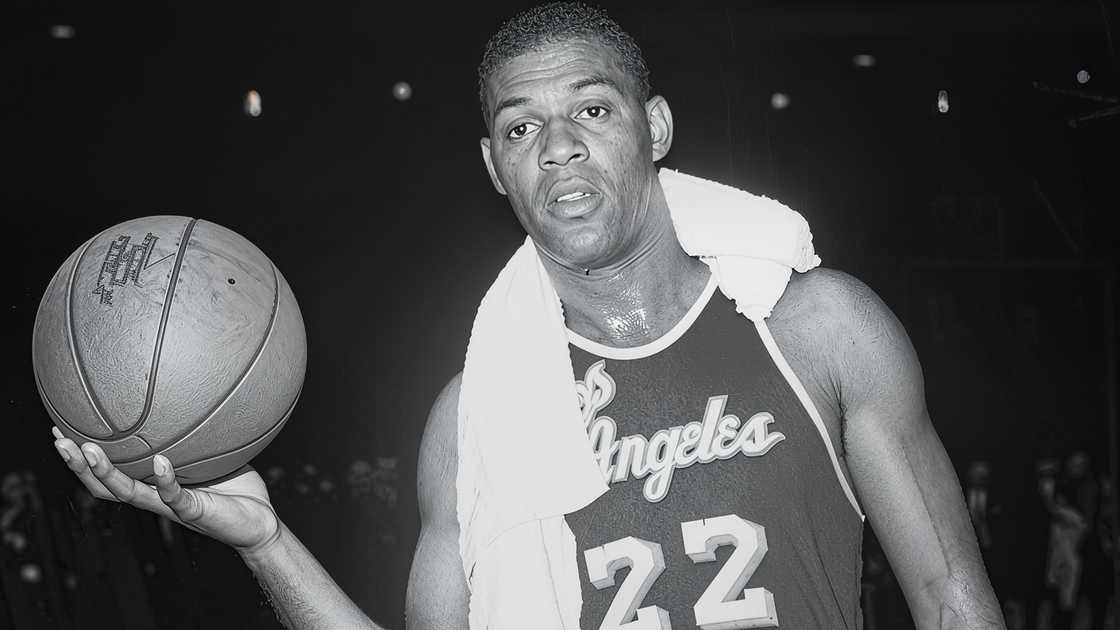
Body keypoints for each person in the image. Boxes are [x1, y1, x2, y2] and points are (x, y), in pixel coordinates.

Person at [51, 2, 1004, 628]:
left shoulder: (821, 330)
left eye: (592, 110)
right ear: (494, 166)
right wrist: (267, 539)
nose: (556, 145)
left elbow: (954, 605)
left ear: (655, 127)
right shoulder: (473, 424)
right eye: (520, 127)